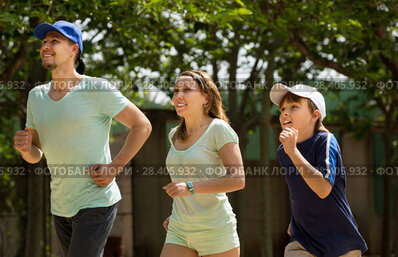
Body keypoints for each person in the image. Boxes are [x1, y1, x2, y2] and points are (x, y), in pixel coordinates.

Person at [13, 20, 152, 257]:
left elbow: (142, 125)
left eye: (54, 41)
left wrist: (113, 169)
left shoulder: (97, 89)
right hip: (60, 204)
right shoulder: (36, 96)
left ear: (73, 49)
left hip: (96, 201)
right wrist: (26, 150)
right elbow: (37, 155)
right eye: (44, 41)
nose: (46, 45)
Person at [270, 83, 367, 257]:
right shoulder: (283, 151)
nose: (285, 112)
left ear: (315, 115)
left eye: (294, 107)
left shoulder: (325, 141)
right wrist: (295, 218)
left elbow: (323, 189)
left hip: (340, 242)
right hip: (303, 239)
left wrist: (293, 152)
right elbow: (298, 191)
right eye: (282, 108)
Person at [160, 70, 245, 257]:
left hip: (216, 231)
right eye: (176, 90)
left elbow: (238, 179)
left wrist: (190, 188)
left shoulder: (219, 130)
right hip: (179, 229)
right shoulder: (174, 134)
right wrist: (178, 213)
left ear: (206, 98)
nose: (178, 95)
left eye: (187, 90)